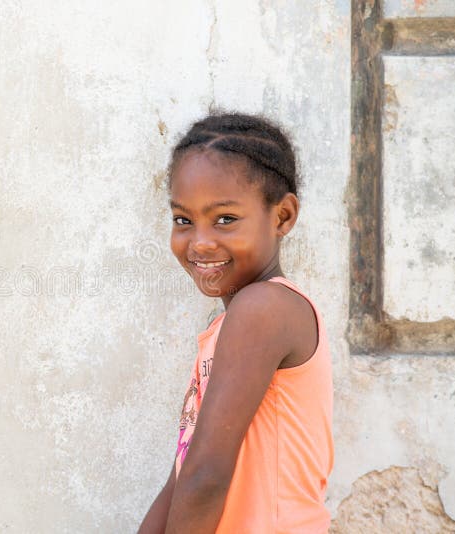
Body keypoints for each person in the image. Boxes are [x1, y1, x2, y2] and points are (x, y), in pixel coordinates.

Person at [138, 113, 334, 533]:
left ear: (282, 217)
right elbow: (186, 471)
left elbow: (206, 475)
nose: (201, 241)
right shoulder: (230, 326)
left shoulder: (264, 309)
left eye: (225, 219)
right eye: (183, 220)